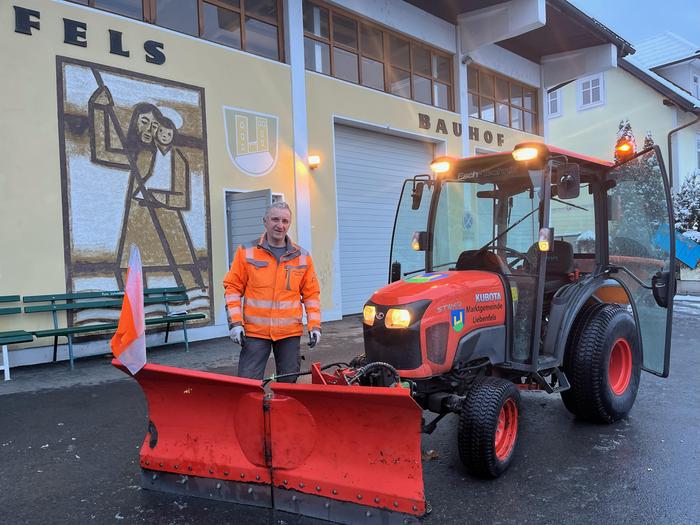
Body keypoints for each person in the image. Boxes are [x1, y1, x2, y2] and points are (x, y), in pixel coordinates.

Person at [223, 202, 321, 382]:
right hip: (255, 333)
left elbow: (311, 294)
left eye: (285, 221)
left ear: (289, 224)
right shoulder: (246, 252)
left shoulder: (302, 256)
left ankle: (283, 410)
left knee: (288, 384)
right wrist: (235, 323)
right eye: (275, 219)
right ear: (265, 221)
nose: (280, 225)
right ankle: (249, 411)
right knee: (247, 384)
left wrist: (314, 325)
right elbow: (232, 289)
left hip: (289, 333)